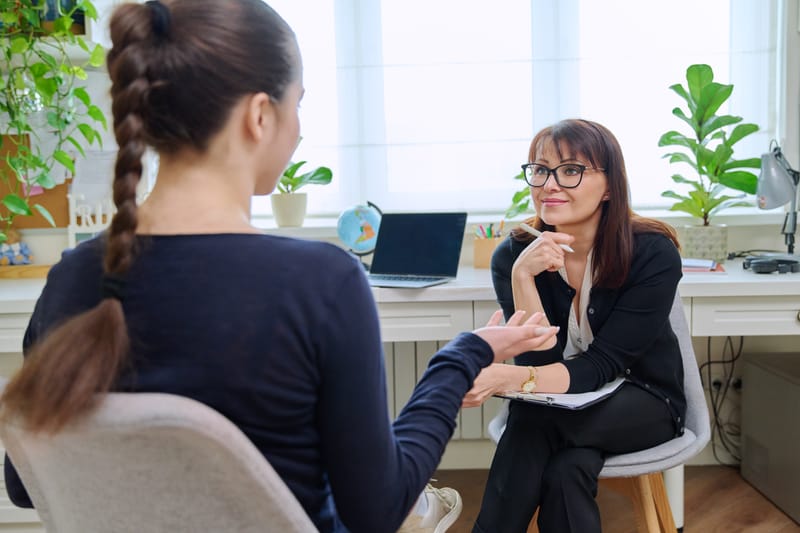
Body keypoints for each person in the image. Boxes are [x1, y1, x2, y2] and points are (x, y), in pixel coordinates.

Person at [0, 1, 559, 532]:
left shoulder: (73, 275)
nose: (299, 129)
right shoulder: (319, 283)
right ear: (260, 115)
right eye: (298, 105)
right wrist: (466, 353)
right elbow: (376, 511)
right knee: (418, 505)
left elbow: (25, 484)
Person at [463, 119, 685, 533]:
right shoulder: (513, 255)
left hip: (646, 400)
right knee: (566, 469)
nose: (550, 184)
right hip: (564, 404)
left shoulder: (652, 253)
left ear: (610, 186)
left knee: (533, 421)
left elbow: (600, 366)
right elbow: (540, 361)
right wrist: (522, 278)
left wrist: (505, 376)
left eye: (570, 170)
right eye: (541, 169)